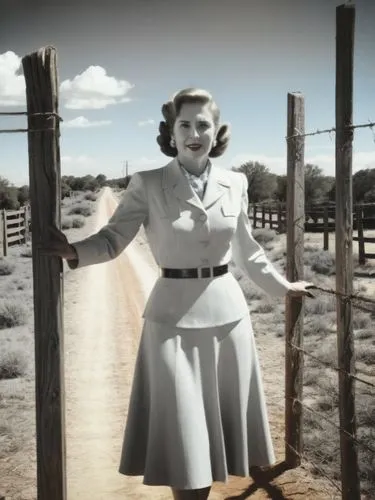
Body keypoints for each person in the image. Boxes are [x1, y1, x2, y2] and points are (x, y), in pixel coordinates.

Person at [41, 88, 314, 500]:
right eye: (184, 124)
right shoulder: (148, 183)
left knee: (220, 427)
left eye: (203, 124)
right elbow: (115, 238)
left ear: (216, 131)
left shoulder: (236, 182)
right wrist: (74, 251)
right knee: (183, 433)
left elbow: (247, 250)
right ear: (170, 132)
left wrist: (283, 286)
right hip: (171, 321)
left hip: (229, 320)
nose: (194, 133)